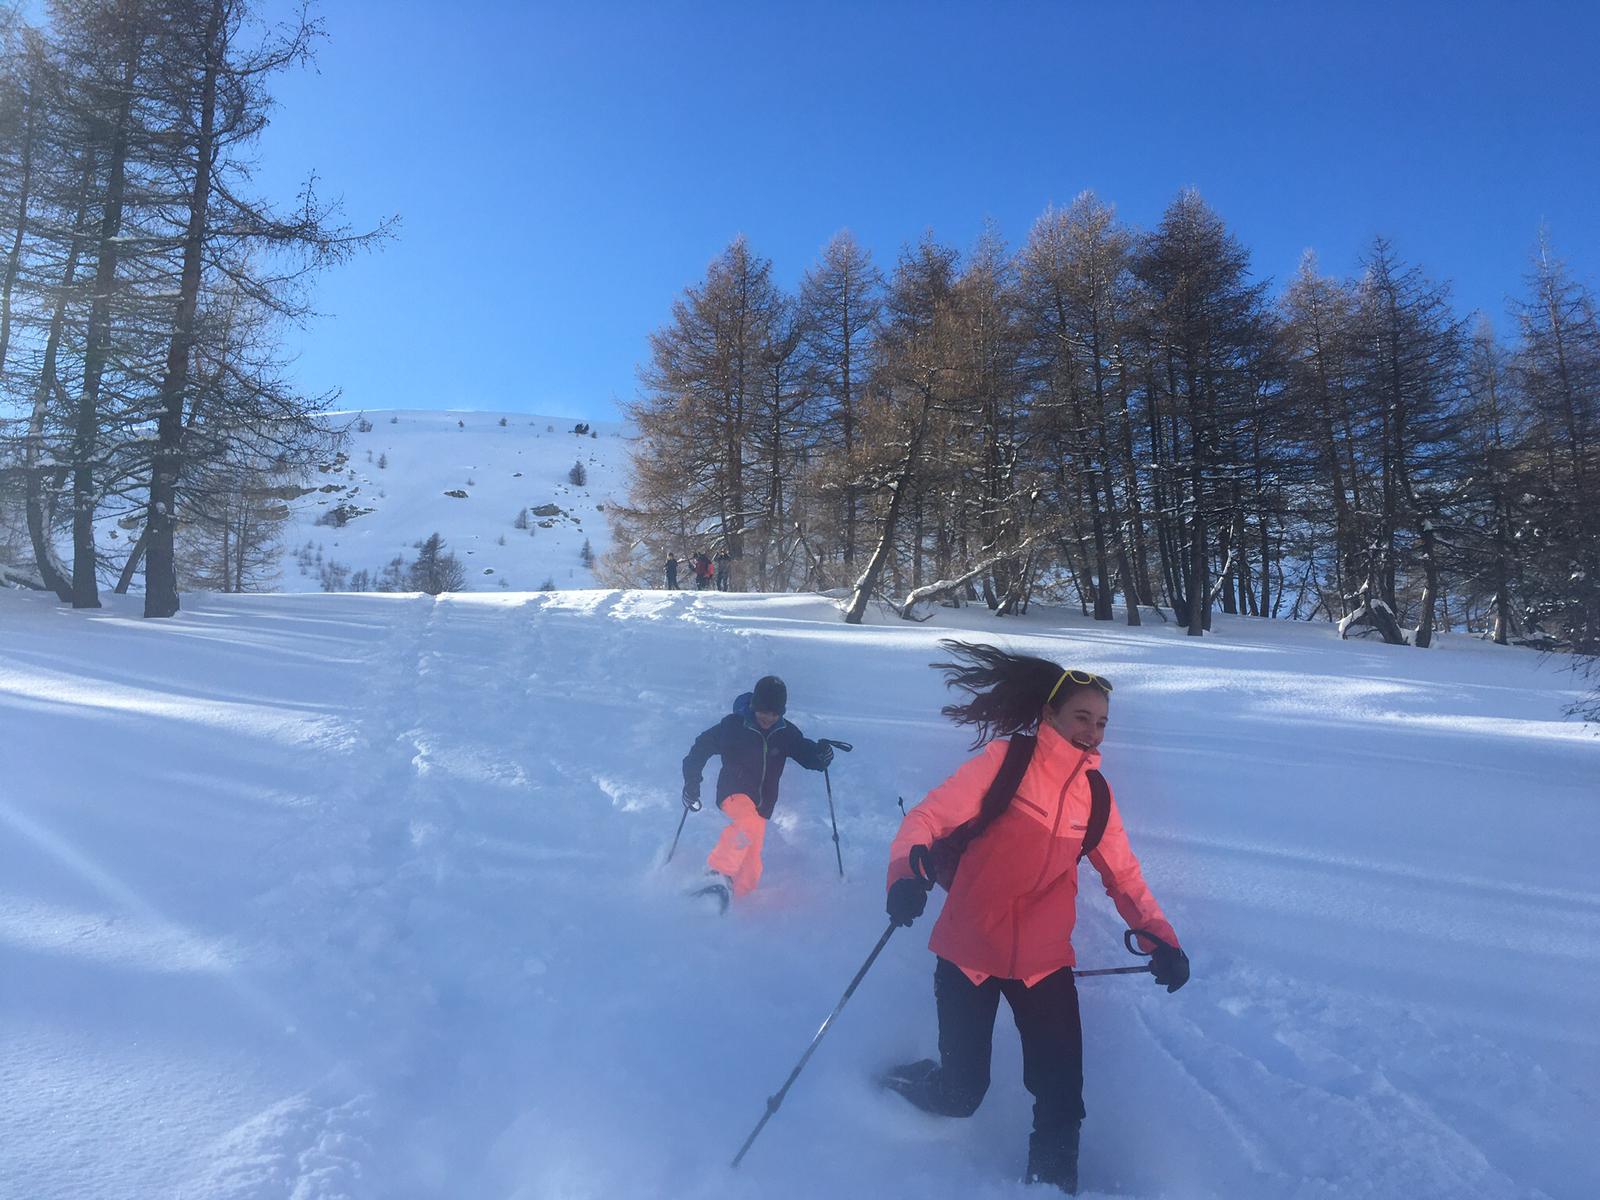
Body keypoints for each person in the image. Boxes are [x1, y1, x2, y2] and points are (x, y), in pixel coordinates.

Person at [881, 640, 1188, 1195]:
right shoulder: (1008, 763)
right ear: (1050, 714)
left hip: (1044, 964)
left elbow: (1123, 877)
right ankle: (908, 1080)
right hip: (968, 953)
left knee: (1062, 1097)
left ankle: (1049, 1187)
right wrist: (905, 875)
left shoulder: (1096, 795)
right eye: (1081, 717)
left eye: (1101, 722)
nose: (1092, 732)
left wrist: (1163, 942)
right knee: (961, 1095)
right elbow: (926, 818)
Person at [681, 675, 834, 903]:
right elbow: (700, 749)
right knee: (748, 824)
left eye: (774, 713)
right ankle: (716, 875)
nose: (768, 718)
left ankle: (734, 900)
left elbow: (807, 755)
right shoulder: (733, 726)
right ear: (754, 706)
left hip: (763, 803)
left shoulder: (785, 732)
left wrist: (820, 756)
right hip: (734, 791)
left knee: (751, 865)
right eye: (763, 711)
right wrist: (692, 783)